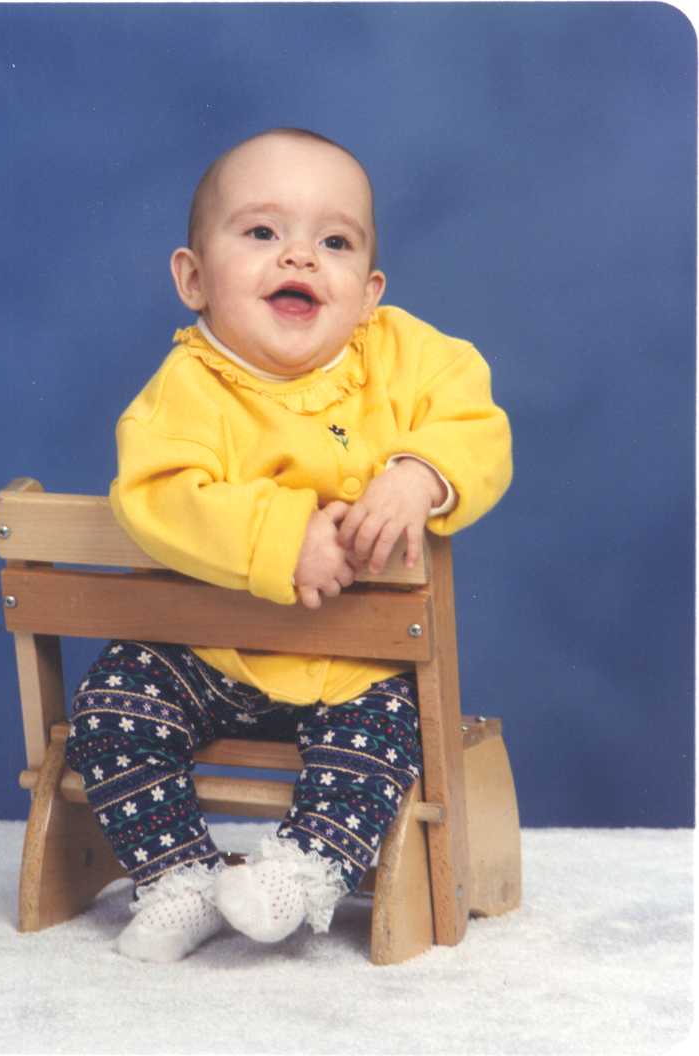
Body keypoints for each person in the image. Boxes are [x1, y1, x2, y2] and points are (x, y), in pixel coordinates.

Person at [65, 127, 512, 963]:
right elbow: (156, 494)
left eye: (334, 242)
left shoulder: (406, 356)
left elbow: (477, 423)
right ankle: (180, 877)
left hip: (352, 671)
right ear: (194, 279)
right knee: (113, 703)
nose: (300, 256)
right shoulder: (186, 389)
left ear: (368, 292)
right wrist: (282, 535)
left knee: (393, 726)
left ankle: (304, 868)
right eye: (263, 232)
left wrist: (419, 474)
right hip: (212, 657)